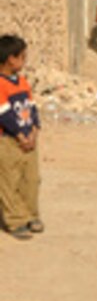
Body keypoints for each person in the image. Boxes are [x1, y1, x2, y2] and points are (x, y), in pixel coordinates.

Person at [0, 34, 43, 240]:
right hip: (8, 141)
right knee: (9, 181)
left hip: (29, 138)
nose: (24, 61)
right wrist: (20, 136)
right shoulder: (1, 84)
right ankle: (15, 219)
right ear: (11, 59)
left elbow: (32, 108)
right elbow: (5, 115)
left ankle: (31, 214)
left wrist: (34, 130)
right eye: (22, 57)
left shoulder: (23, 82)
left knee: (31, 179)